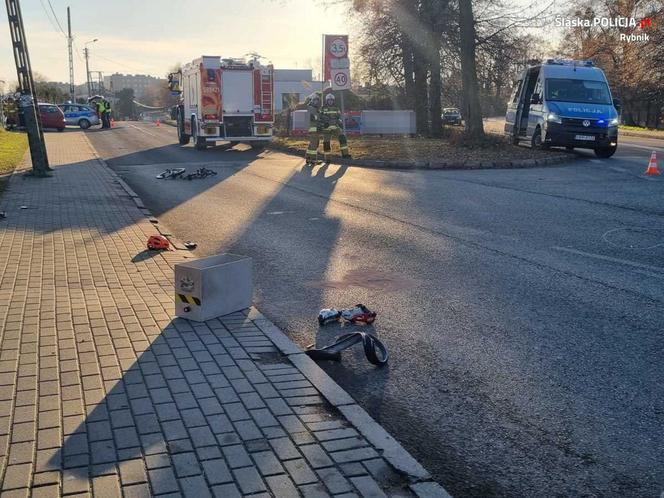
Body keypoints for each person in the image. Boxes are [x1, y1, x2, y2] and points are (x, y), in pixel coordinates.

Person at [320, 93, 350, 161]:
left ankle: (345, 155)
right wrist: (325, 121)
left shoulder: (336, 108)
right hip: (326, 128)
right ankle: (327, 158)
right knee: (326, 143)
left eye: (331, 100)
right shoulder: (323, 108)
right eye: (329, 100)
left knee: (342, 138)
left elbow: (339, 117)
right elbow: (320, 117)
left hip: (336, 127)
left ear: (333, 101)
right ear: (326, 101)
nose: (330, 101)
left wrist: (339, 122)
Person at [304, 92, 322, 164]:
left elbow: (318, 118)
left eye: (317, 100)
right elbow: (315, 118)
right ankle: (313, 159)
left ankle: (308, 158)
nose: (316, 102)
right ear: (311, 101)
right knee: (314, 144)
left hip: (315, 129)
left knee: (312, 144)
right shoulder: (310, 108)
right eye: (315, 100)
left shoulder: (315, 109)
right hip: (313, 129)